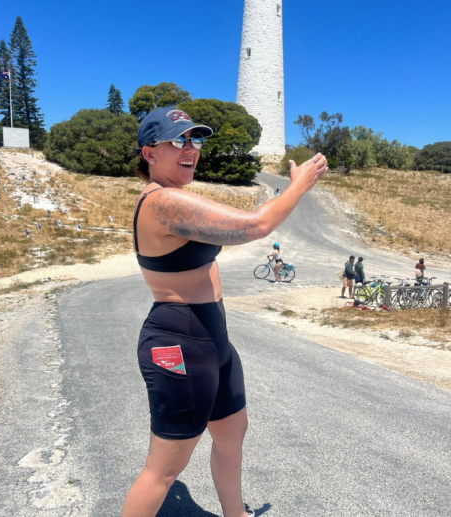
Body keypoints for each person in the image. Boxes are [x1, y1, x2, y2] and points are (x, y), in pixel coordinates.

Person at [124, 106, 327, 517]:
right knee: (164, 469)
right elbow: (254, 226)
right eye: (177, 139)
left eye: (195, 139)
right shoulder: (160, 202)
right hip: (178, 340)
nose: (191, 148)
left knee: (232, 433)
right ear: (149, 153)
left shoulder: (180, 196)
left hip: (213, 339)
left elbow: (230, 232)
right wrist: (298, 186)